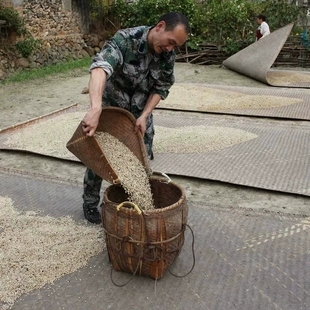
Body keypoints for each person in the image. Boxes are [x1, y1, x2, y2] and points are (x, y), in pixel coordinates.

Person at [81, 12, 190, 224]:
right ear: (160, 26)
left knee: (141, 161)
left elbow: (162, 86)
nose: (170, 49)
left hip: (139, 114)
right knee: (100, 158)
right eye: (170, 42)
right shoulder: (125, 41)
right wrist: (95, 109)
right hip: (112, 110)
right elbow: (100, 68)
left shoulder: (167, 54)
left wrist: (145, 115)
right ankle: (90, 202)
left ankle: (132, 202)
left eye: (175, 46)